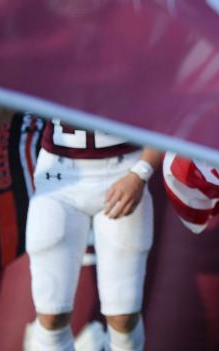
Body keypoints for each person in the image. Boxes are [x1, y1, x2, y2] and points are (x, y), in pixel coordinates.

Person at [25, 117, 161, 351]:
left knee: (123, 316)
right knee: (51, 314)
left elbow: (170, 115)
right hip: (58, 175)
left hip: (124, 168)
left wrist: (140, 173)